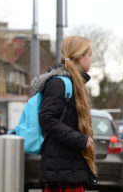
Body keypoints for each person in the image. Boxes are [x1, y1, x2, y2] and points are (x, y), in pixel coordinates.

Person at [32, 36, 96, 191]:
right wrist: (79, 139)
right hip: (61, 174)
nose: (91, 59)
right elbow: (47, 119)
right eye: (90, 55)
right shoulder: (59, 84)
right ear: (80, 57)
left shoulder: (71, 83)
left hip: (67, 170)